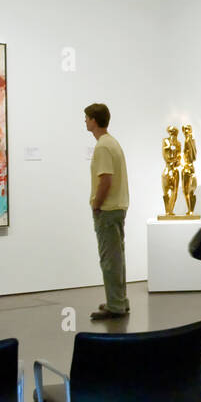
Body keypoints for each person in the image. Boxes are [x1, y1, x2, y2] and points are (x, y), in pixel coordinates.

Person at [84, 103, 130, 320]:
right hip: (117, 208)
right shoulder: (112, 142)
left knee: (110, 259)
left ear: (94, 120)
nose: (85, 121)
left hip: (108, 210)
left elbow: (105, 180)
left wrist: (96, 204)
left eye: (86, 118)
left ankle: (116, 305)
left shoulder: (103, 146)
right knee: (117, 257)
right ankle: (119, 300)